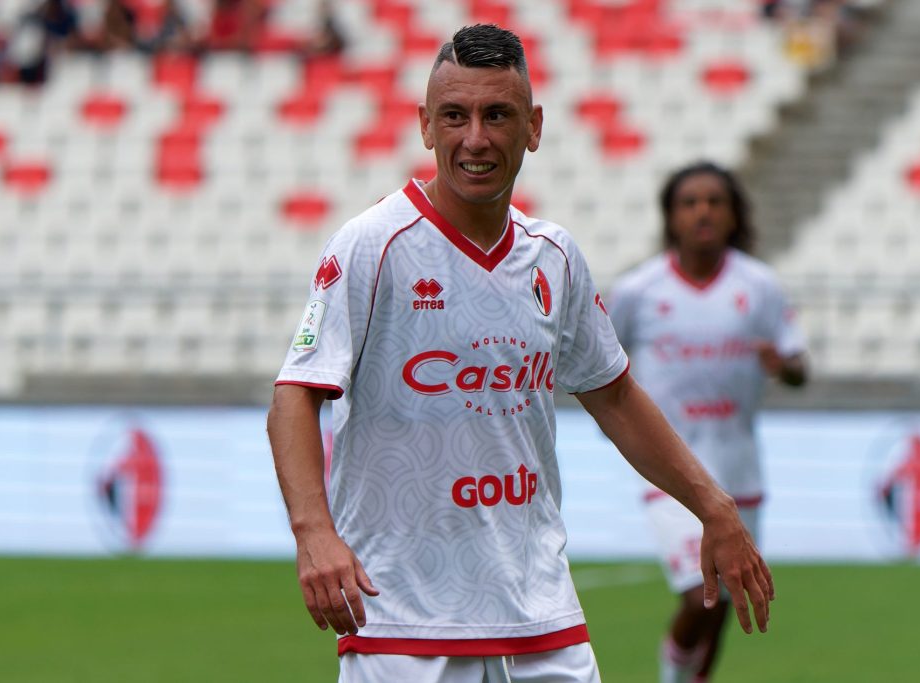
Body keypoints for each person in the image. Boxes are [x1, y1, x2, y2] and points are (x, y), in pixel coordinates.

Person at [267, 26, 774, 683]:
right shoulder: (373, 244)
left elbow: (616, 395)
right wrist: (313, 532)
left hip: (541, 618)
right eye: (455, 116)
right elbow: (294, 395)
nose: (475, 138)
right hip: (404, 622)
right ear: (425, 126)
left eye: (497, 115)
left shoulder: (553, 256)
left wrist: (714, 506)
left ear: (533, 127)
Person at [608, 161, 808, 683]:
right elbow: (598, 361)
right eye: (690, 202)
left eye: (715, 202)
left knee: (726, 597)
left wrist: (784, 366)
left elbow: (798, 366)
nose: (703, 212)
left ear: (734, 214)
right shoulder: (639, 290)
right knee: (703, 592)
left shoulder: (760, 286)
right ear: (671, 216)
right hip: (670, 471)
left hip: (739, 468)